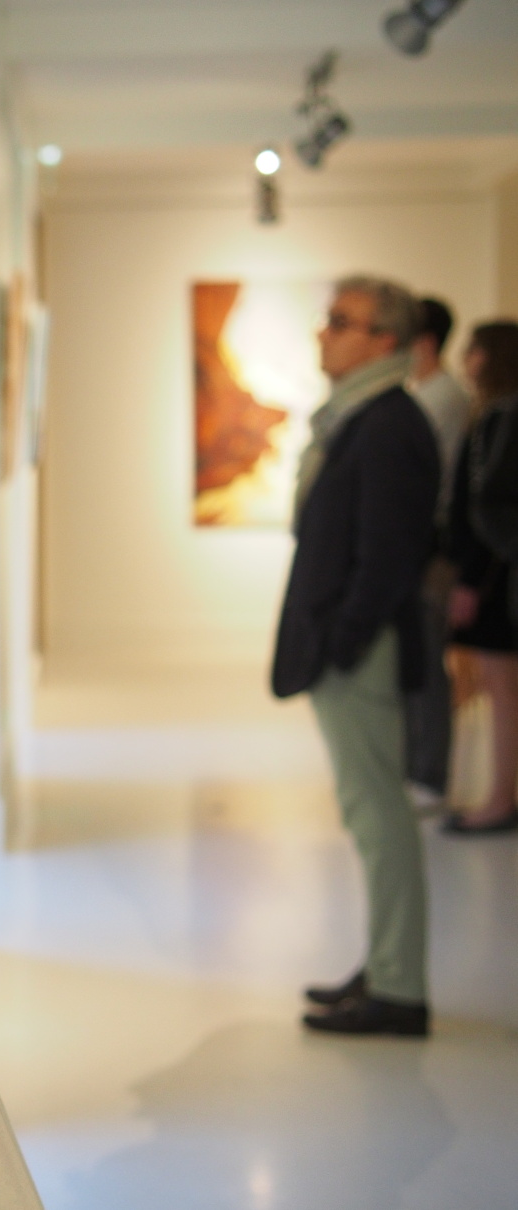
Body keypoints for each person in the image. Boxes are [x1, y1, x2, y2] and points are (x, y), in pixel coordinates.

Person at [272, 276, 440, 1036]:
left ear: (385, 340)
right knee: (369, 811)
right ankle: (386, 966)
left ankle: (399, 989)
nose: (323, 333)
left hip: (362, 653)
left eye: (341, 321)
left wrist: (341, 643)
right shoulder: (365, 417)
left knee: (379, 817)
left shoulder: (387, 423)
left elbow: (387, 557)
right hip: (353, 647)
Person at [441, 321, 518, 834]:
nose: (466, 359)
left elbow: (490, 509)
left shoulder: (501, 418)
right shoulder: (493, 416)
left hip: (495, 578)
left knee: (500, 686)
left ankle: (499, 798)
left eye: (474, 351)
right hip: (496, 574)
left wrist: (472, 579)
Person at [402, 297, 473, 807]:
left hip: (432, 549)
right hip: (423, 545)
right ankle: (419, 770)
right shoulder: (429, 396)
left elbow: (430, 483)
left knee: (427, 661)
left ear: (423, 342)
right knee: (419, 659)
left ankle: (428, 775)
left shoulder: (442, 399)